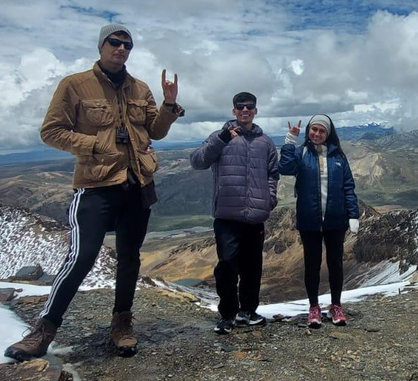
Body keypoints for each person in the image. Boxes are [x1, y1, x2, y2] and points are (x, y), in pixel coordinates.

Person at [4, 24, 184, 362]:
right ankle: (44, 330)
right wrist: (94, 144)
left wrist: (169, 104)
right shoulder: (74, 85)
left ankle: (121, 324)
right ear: (102, 46)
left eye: (127, 44)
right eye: (114, 42)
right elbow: (50, 131)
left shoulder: (140, 88)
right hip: (95, 184)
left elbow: (156, 132)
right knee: (83, 256)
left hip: (137, 183)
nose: (121, 48)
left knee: (129, 258)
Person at [189, 92, 279, 335]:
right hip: (227, 215)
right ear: (234, 110)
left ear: (255, 110)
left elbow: (273, 173)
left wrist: (269, 199)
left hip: (255, 216)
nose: (245, 110)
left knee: (252, 266)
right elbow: (197, 161)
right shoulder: (220, 137)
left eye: (249, 106)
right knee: (227, 265)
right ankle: (227, 314)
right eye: (240, 107)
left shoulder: (265, 142)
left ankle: (248, 311)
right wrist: (221, 139)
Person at [278, 114, 360, 328]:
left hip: (335, 219)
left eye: (322, 130)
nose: (317, 134)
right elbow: (285, 168)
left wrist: (353, 214)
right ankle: (314, 307)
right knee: (312, 264)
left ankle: (336, 305)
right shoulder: (301, 153)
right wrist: (289, 141)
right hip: (309, 219)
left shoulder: (339, 157)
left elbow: (348, 187)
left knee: (335, 264)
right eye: (313, 129)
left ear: (328, 133)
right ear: (308, 131)